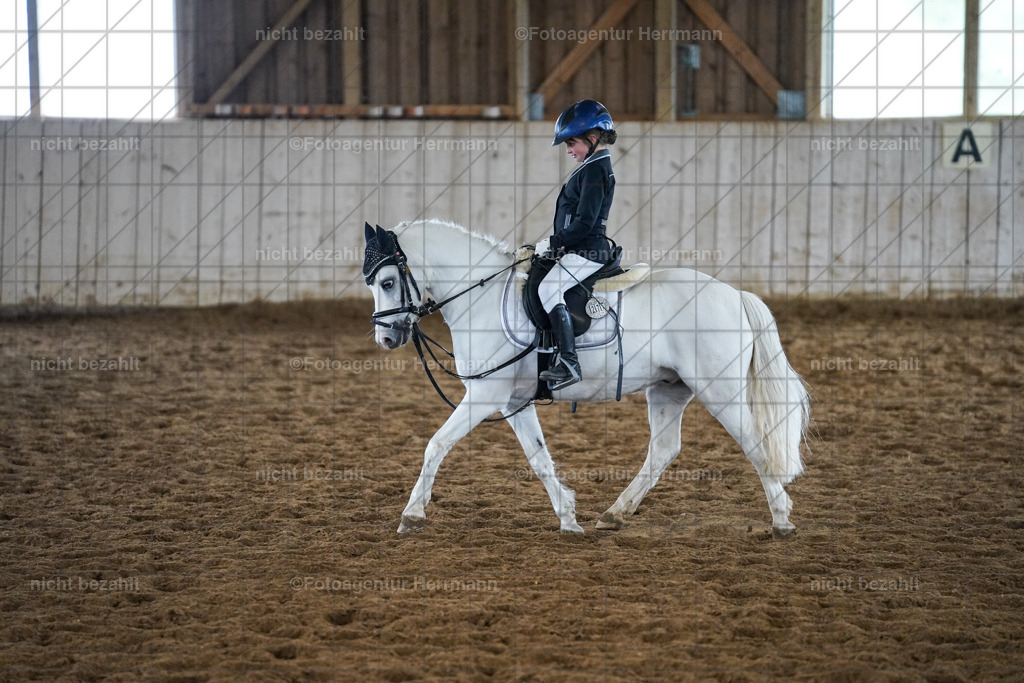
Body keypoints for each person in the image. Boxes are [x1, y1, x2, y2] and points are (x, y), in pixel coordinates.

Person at [535, 99, 617, 390]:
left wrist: (554, 242)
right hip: (578, 248)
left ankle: (569, 362)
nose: (569, 150)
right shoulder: (591, 166)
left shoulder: (595, 170)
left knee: (548, 288)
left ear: (592, 138)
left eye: (571, 143)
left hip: (588, 250)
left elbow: (585, 223)